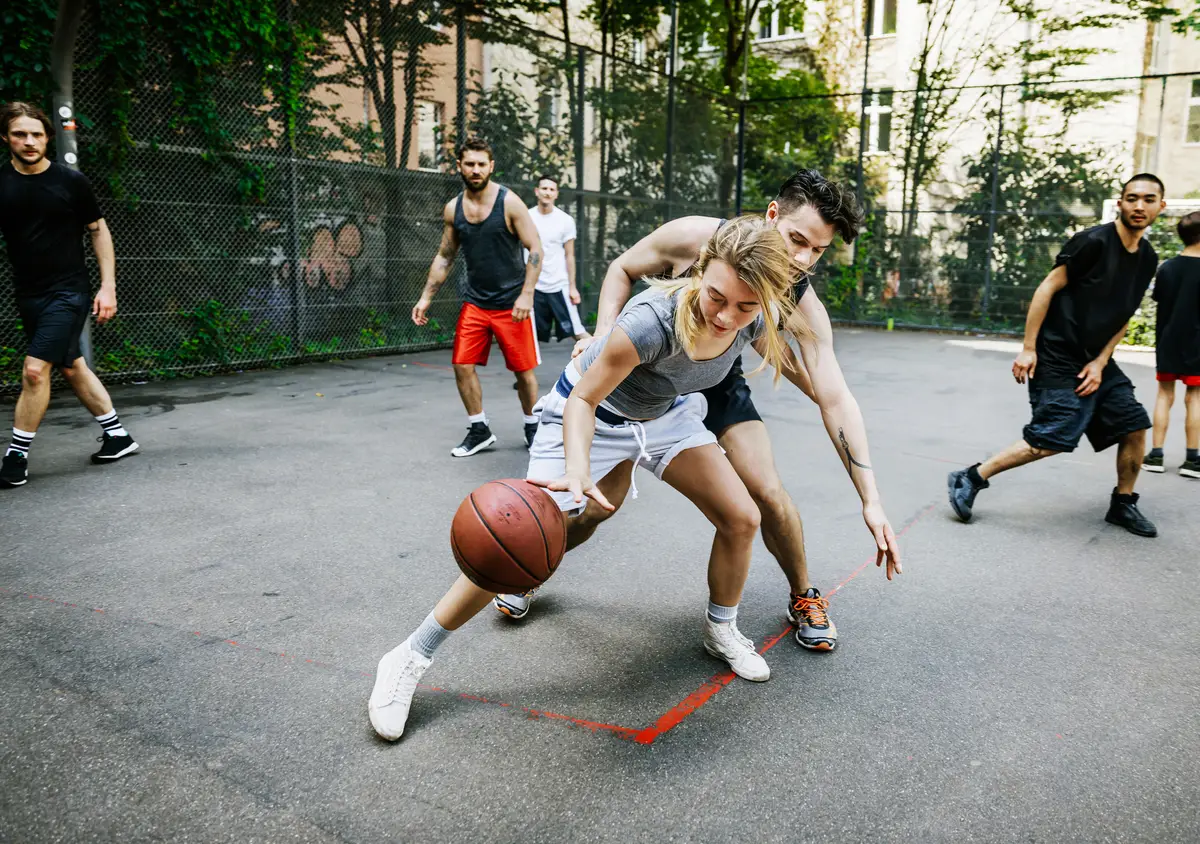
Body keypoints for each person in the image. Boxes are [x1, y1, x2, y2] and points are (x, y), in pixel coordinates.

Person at [369, 217, 900, 741]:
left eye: (744, 306)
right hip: (591, 413)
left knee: (742, 517)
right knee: (519, 533)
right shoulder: (651, 321)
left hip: (664, 417)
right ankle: (411, 654)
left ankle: (721, 629)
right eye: (717, 297)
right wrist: (578, 469)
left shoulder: (753, 317)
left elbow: (830, 395)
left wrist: (871, 500)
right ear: (700, 269)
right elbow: (583, 398)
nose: (725, 317)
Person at [494, 170, 901, 653]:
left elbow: (833, 396)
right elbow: (622, 268)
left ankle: (803, 595)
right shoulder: (694, 237)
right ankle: (528, 567)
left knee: (765, 493)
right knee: (597, 507)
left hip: (717, 375)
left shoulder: (798, 295)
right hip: (647, 372)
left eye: (818, 250)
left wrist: (870, 499)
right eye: (796, 240)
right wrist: (604, 335)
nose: (802, 260)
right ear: (772, 214)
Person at [948, 174, 1167, 536]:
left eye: (1148, 199)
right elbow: (1047, 286)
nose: (1139, 206)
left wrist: (1100, 362)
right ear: (1120, 202)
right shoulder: (1093, 242)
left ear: (1162, 205)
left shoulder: (1148, 257)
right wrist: (1029, 348)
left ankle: (1123, 504)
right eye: (1132, 198)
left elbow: (1124, 314)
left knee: (1134, 425)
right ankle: (971, 477)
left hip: (1097, 359)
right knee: (1050, 439)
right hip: (1057, 354)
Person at [0, 102, 138, 489]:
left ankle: (16, 456)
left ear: (48, 138)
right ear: (5, 138)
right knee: (71, 365)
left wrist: (107, 286)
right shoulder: (2, 184)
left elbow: (98, 230)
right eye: (20, 134)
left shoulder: (70, 182)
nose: (29, 142)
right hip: (28, 295)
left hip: (69, 291)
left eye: (37, 134)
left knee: (34, 369)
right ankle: (118, 436)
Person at [412, 138, 545, 456]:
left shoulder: (510, 203)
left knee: (523, 372)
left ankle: (532, 426)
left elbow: (536, 249)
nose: (475, 170)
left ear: (491, 167)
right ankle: (479, 429)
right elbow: (445, 255)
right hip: (476, 302)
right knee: (461, 365)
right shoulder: (453, 208)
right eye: (469, 164)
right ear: (459, 166)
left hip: (513, 303)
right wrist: (425, 297)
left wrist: (526, 296)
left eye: (481, 164)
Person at [1142, 210, 1200, 479]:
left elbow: (1161, 301)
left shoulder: (1167, 267)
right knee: (1195, 398)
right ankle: (1192, 460)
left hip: (1168, 340)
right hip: (1197, 344)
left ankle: (1155, 454)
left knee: (1164, 394)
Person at [529, 175, 589, 344]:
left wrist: (572, 288)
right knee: (525, 334)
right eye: (544, 188)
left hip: (558, 285)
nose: (547, 192)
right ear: (537, 191)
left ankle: (605, 363)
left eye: (551, 189)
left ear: (556, 194)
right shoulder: (526, 217)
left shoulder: (565, 221)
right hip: (532, 287)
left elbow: (569, 255)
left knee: (578, 332)